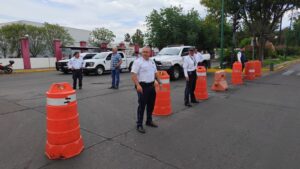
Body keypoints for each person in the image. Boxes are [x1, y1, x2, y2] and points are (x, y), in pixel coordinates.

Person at [131, 46, 160, 134]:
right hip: (142, 86)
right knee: (142, 105)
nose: (145, 53)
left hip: (151, 86)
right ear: (141, 52)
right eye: (143, 52)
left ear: (150, 52)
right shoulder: (138, 62)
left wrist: (159, 81)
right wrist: (138, 85)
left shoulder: (152, 61)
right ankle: (139, 124)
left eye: (147, 52)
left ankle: (149, 121)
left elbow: (155, 72)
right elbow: (133, 74)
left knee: (151, 104)